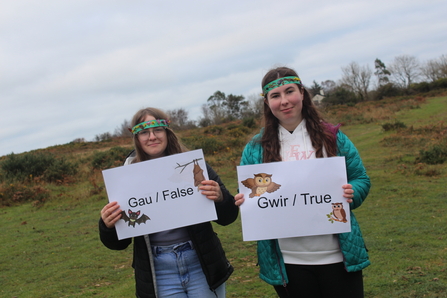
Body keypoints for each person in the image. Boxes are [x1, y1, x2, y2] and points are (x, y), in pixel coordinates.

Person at [234, 67, 371, 298]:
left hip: (337, 255)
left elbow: (361, 179)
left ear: (302, 93)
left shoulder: (333, 137)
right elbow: (251, 193)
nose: (284, 101)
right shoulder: (256, 148)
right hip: (288, 262)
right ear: (267, 103)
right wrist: (244, 201)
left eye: (290, 91)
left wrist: (352, 191)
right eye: (275, 96)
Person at [99, 107, 238, 298]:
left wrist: (220, 198)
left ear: (167, 132)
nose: (152, 137)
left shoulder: (194, 166)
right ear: (137, 138)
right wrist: (107, 225)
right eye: (144, 132)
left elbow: (228, 216)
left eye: (157, 130)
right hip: (159, 271)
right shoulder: (125, 178)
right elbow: (117, 244)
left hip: (200, 264)